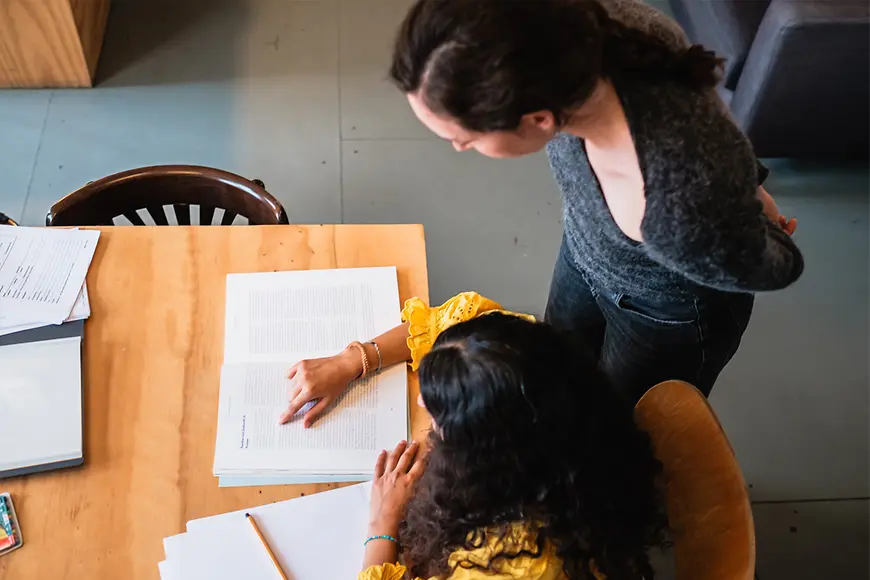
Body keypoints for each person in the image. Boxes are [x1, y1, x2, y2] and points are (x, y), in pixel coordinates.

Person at [388, 0, 804, 403]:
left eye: (466, 138)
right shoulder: (579, 30)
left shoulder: (673, 204)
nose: (458, 148)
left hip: (660, 315)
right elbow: (705, 105)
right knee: (561, 371)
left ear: (539, 120)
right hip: (586, 248)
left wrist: (746, 212)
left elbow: (778, 266)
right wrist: (748, 184)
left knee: (625, 422)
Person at [358, 313, 668, 579]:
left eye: (439, 412)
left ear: (483, 456)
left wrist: (381, 526)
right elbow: (449, 333)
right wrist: (355, 359)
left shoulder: (507, 562)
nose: (420, 401)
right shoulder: (521, 364)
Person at [278, 291, 532, 426]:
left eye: (441, 407)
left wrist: (383, 523)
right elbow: (436, 328)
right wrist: (349, 362)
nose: (421, 401)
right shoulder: (501, 337)